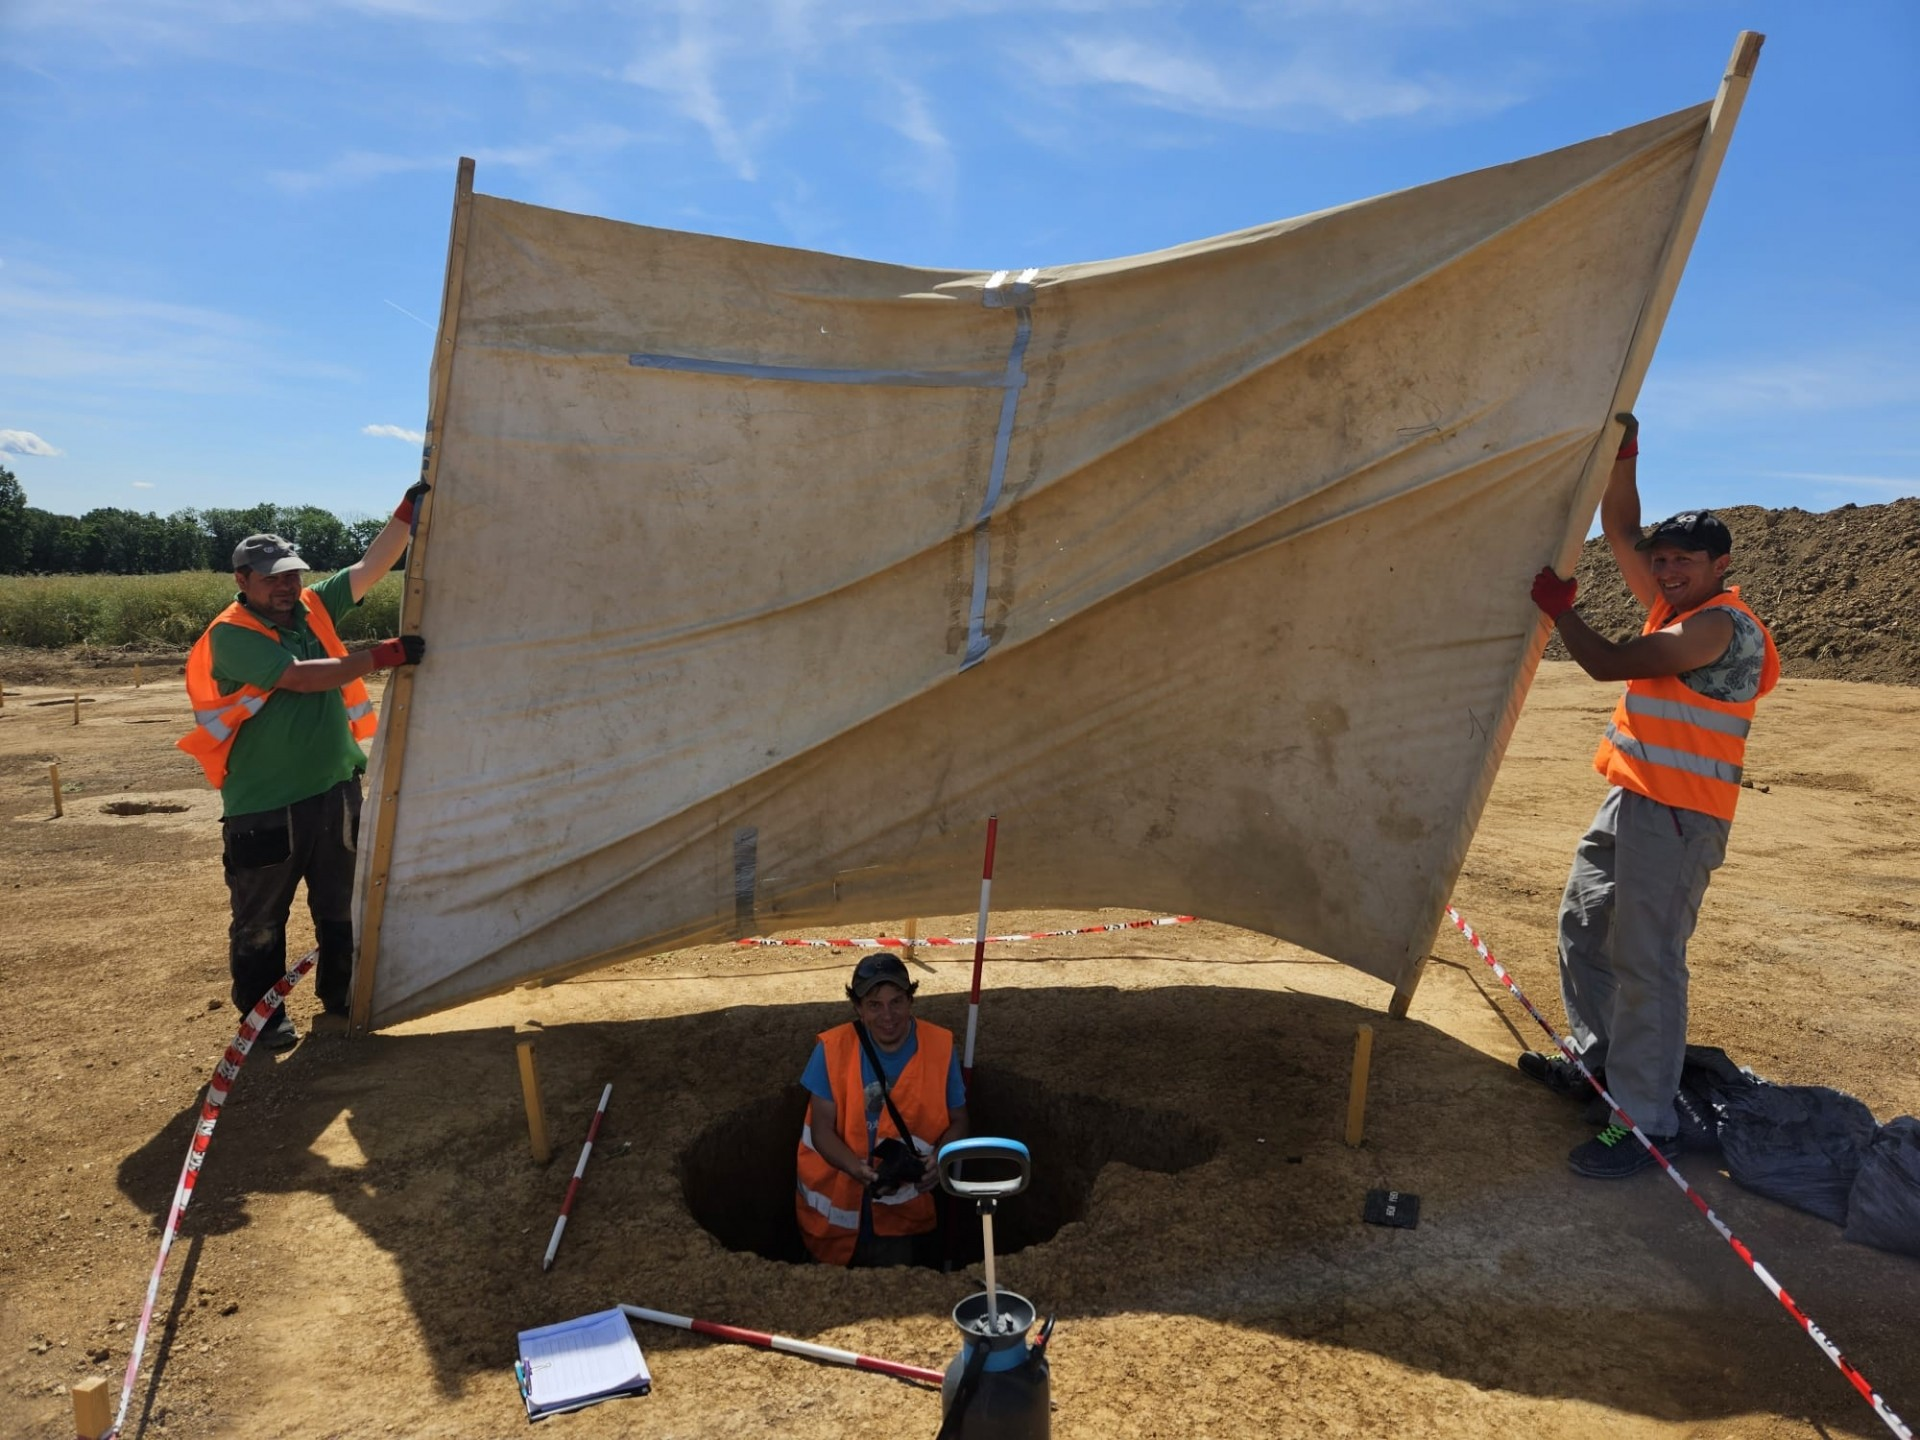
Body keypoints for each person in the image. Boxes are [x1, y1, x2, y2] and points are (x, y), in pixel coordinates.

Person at [1524, 412, 1778, 1178]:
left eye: (1682, 561)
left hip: (1677, 818)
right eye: (1660, 560)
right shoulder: (1676, 603)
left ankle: (1645, 1124)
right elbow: (1623, 527)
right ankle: (1601, 1068)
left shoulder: (1717, 627)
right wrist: (1624, 456)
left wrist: (1560, 609)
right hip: (1632, 801)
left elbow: (1609, 662)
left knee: (1647, 964)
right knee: (1582, 926)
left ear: (1719, 565)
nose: (1664, 569)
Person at [179, 482, 432, 1051]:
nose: (286, 586)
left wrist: (406, 513)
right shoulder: (231, 635)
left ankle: (344, 994)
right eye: (272, 578)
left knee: (342, 902)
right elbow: (298, 677)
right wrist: (379, 657)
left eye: (291, 575)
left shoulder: (312, 606)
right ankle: (262, 1018)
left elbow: (370, 567)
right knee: (261, 918)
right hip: (264, 802)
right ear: (243, 580)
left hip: (335, 789)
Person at [794, 953, 969, 1265]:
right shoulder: (832, 1050)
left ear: (910, 1001)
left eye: (896, 1001)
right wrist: (855, 1169)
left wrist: (939, 1159)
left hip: (900, 1216)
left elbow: (960, 1121)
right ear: (859, 1008)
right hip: (834, 1216)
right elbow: (821, 1130)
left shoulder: (940, 1047)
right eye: (874, 1005)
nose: (888, 1015)